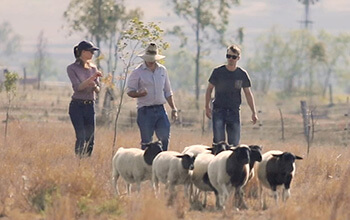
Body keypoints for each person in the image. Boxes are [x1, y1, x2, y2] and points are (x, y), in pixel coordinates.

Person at [126, 42, 178, 151]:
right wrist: (139, 94)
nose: (150, 61)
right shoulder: (137, 72)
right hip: (145, 111)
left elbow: (168, 91)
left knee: (164, 138)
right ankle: (146, 166)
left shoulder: (162, 70)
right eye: (149, 59)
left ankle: (162, 163)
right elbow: (129, 91)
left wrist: (174, 108)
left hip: (160, 109)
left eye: (152, 59)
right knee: (146, 142)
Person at [205, 44, 258, 146]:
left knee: (234, 144)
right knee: (219, 143)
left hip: (234, 111)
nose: (230, 59)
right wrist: (207, 107)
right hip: (218, 110)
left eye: (233, 57)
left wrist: (253, 112)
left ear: (238, 58)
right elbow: (209, 89)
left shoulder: (242, 74)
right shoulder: (218, 72)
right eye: (228, 56)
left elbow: (248, 93)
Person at [67, 40, 102, 157]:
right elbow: (78, 88)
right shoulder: (72, 68)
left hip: (90, 105)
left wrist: (95, 86)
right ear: (83, 52)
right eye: (90, 51)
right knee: (81, 136)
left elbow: (98, 90)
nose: (92, 54)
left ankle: (87, 160)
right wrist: (91, 79)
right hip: (77, 106)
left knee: (90, 138)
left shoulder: (93, 68)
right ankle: (79, 160)